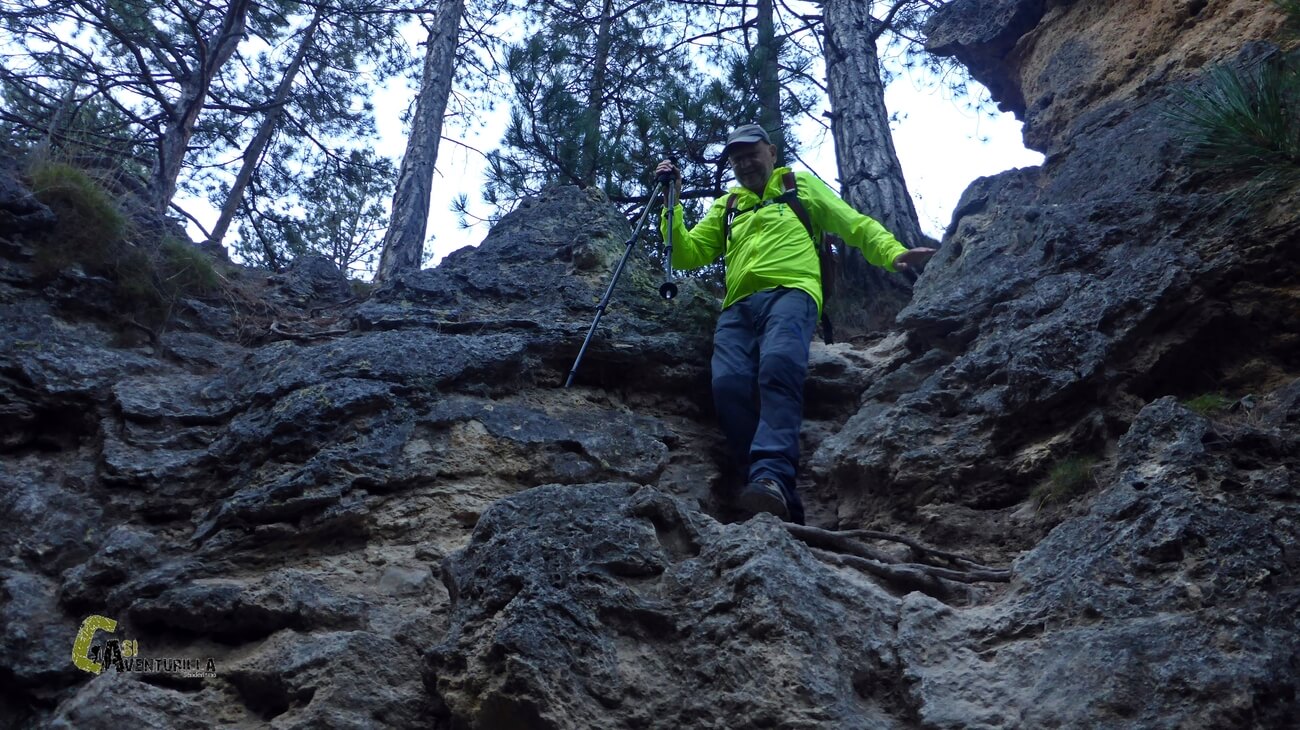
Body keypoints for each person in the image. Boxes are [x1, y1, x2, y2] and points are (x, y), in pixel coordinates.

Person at [656, 123, 935, 525]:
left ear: (771, 151)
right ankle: (771, 494)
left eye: (752, 153)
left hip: (793, 292)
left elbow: (852, 223)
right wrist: (673, 201)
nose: (745, 163)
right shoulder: (728, 205)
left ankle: (770, 475)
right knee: (728, 384)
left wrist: (893, 253)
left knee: (778, 365)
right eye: (736, 158)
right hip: (737, 307)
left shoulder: (797, 186)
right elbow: (685, 255)